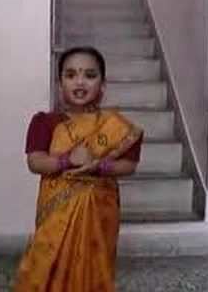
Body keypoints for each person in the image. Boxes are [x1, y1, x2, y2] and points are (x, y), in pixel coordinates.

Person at [13, 46, 143, 292]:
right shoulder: (45, 122)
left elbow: (129, 165)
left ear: (103, 85)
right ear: (60, 83)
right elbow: (35, 162)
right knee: (46, 267)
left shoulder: (116, 126)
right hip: (56, 216)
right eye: (70, 75)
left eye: (90, 75)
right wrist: (67, 161)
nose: (79, 81)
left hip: (99, 214)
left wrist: (100, 166)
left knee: (94, 269)